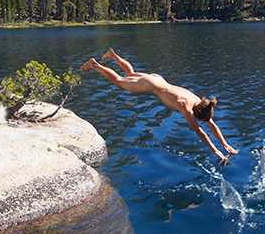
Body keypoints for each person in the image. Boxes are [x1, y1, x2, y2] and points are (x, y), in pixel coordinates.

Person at [81, 49, 239, 160]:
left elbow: (211, 125)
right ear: (197, 114)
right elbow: (202, 133)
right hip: (152, 85)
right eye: (200, 119)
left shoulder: (198, 101)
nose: (200, 121)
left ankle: (112, 56)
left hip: (157, 79)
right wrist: (216, 150)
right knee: (119, 81)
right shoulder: (187, 109)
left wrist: (225, 144)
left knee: (130, 74)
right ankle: (95, 65)